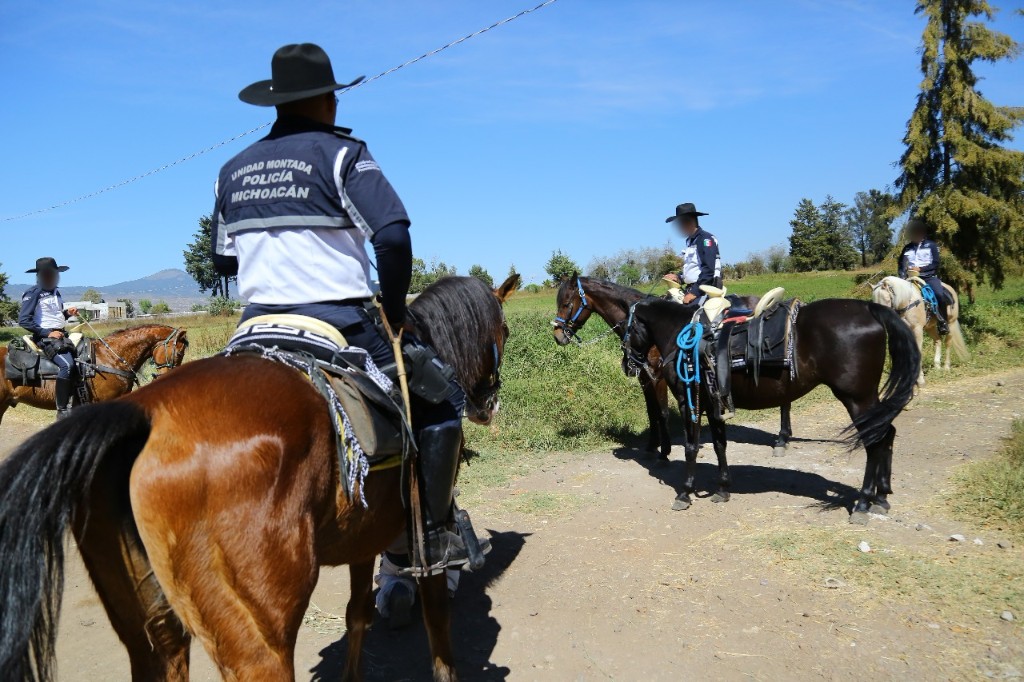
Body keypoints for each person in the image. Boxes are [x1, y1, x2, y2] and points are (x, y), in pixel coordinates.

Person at [210, 44, 485, 602]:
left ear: (277, 101)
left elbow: (220, 261)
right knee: (442, 400)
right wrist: (393, 307)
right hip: (338, 322)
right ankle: (432, 535)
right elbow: (392, 234)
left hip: (253, 329)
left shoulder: (232, 169)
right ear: (324, 99)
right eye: (334, 94)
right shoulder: (343, 154)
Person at [18, 257, 80, 419]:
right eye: (48, 274)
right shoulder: (34, 293)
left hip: (60, 335)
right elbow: (24, 320)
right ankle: (62, 410)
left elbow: (54, 316)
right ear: (40, 276)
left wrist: (68, 313)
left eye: (54, 274)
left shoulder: (55, 292)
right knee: (67, 365)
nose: (52, 277)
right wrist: (47, 333)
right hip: (45, 338)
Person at [898, 217, 949, 335]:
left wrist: (920, 269)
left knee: (939, 294)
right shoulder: (907, 248)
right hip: (909, 278)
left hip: (928, 277)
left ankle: (943, 322)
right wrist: (902, 276)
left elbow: (935, 263)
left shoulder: (931, 246)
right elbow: (901, 264)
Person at [663, 203, 722, 305]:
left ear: (689, 221)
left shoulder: (705, 239)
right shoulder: (691, 241)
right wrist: (678, 277)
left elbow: (709, 270)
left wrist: (694, 293)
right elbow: (694, 269)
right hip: (694, 289)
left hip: (708, 290)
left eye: (680, 223)